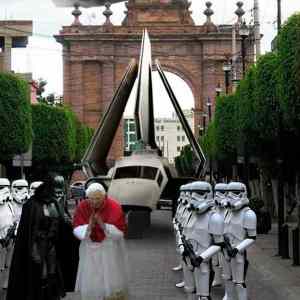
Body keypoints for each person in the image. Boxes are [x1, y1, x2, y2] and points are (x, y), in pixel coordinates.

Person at [6, 174, 78, 300]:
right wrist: (33, 247)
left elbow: (62, 222)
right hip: (36, 244)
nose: (56, 194)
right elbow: (29, 228)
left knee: (52, 272)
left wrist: (69, 226)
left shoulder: (54, 203)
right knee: (40, 273)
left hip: (51, 244)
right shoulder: (32, 204)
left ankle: (50, 295)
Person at [73, 182, 129, 300]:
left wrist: (103, 225)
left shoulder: (114, 206)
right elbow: (77, 228)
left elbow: (120, 232)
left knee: (111, 277)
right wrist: (89, 226)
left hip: (109, 248)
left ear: (104, 196)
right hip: (89, 249)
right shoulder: (83, 206)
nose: (94, 202)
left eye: (98, 199)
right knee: (92, 277)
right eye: (91, 199)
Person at [222, 182, 257, 300]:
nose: (230, 196)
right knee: (226, 277)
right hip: (226, 250)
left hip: (238, 253)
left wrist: (237, 249)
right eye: (228, 193)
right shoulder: (227, 211)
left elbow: (252, 237)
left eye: (235, 193)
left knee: (239, 283)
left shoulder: (248, 214)